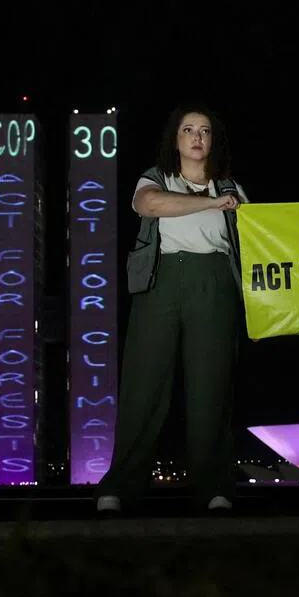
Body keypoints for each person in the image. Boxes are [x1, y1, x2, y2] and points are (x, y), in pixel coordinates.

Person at [95, 104, 250, 515]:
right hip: (161, 281)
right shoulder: (158, 178)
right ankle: (121, 486)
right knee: (143, 383)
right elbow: (149, 205)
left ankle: (215, 487)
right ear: (176, 139)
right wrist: (210, 205)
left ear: (213, 141)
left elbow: (260, 239)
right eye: (188, 130)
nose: (197, 137)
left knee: (211, 385)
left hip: (213, 282)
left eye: (204, 130)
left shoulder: (231, 187)